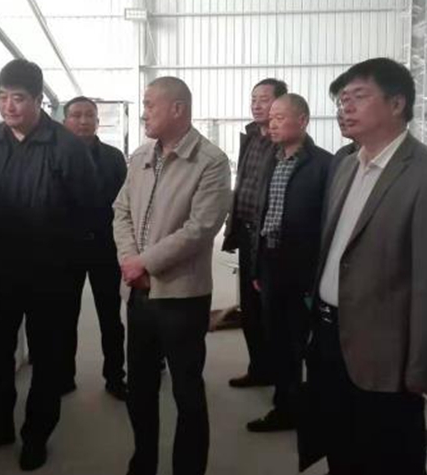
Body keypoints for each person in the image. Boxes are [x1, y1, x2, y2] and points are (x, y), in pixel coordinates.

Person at [298, 58, 427, 474]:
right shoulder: (345, 165)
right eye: (341, 100)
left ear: (397, 104)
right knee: (340, 453)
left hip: (385, 357)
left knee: (387, 458)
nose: (345, 108)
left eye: (358, 97)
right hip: (329, 339)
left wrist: (422, 369)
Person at [0, 59, 99, 472]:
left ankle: (36, 435)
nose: (8, 106)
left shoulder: (66, 148)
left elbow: (88, 211)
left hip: (50, 276)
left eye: (17, 98)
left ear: (38, 100)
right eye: (2, 96)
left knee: (48, 359)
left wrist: (64, 264)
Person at [113, 76, 231, 475]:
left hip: (182, 298)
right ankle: (142, 462)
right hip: (139, 294)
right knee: (140, 388)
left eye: (150, 105)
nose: (143, 113)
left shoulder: (210, 161)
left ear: (177, 109)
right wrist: (131, 261)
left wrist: (145, 263)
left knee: (187, 391)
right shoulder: (140, 157)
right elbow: (121, 212)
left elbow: (201, 228)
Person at [246, 94, 331, 433]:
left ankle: (303, 407)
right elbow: (261, 214)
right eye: (271, 118)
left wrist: (317, 275)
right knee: (277, 339)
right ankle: (285, 406)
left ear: (303, 120)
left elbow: (327, 223)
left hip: (303, 269)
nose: (272, 124)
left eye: (280, 117)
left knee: (301, 342)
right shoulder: (273, 159)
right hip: (270, 262)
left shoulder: (324, 165)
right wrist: (256, 266)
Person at [221, 78, 288, 388]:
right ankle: (259, 368)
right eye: (254, 99)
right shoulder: (250, 138)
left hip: (269, 239)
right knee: (249, 307)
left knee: (271, 309)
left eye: (264, 99)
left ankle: (281, 375)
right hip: (247, 234)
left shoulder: (285, 142)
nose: (257, 105)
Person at [61, 96, 128, 400]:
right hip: (67, 250)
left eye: (89, 115)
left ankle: (115, 377)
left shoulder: (114, 158)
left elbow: (125, 204)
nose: (83, 121)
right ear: (65, 121)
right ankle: (64, 376)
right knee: (64, 317)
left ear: (98, 122)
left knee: (110, 316)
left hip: (105, 247)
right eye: (76, 115)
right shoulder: (55, 155)